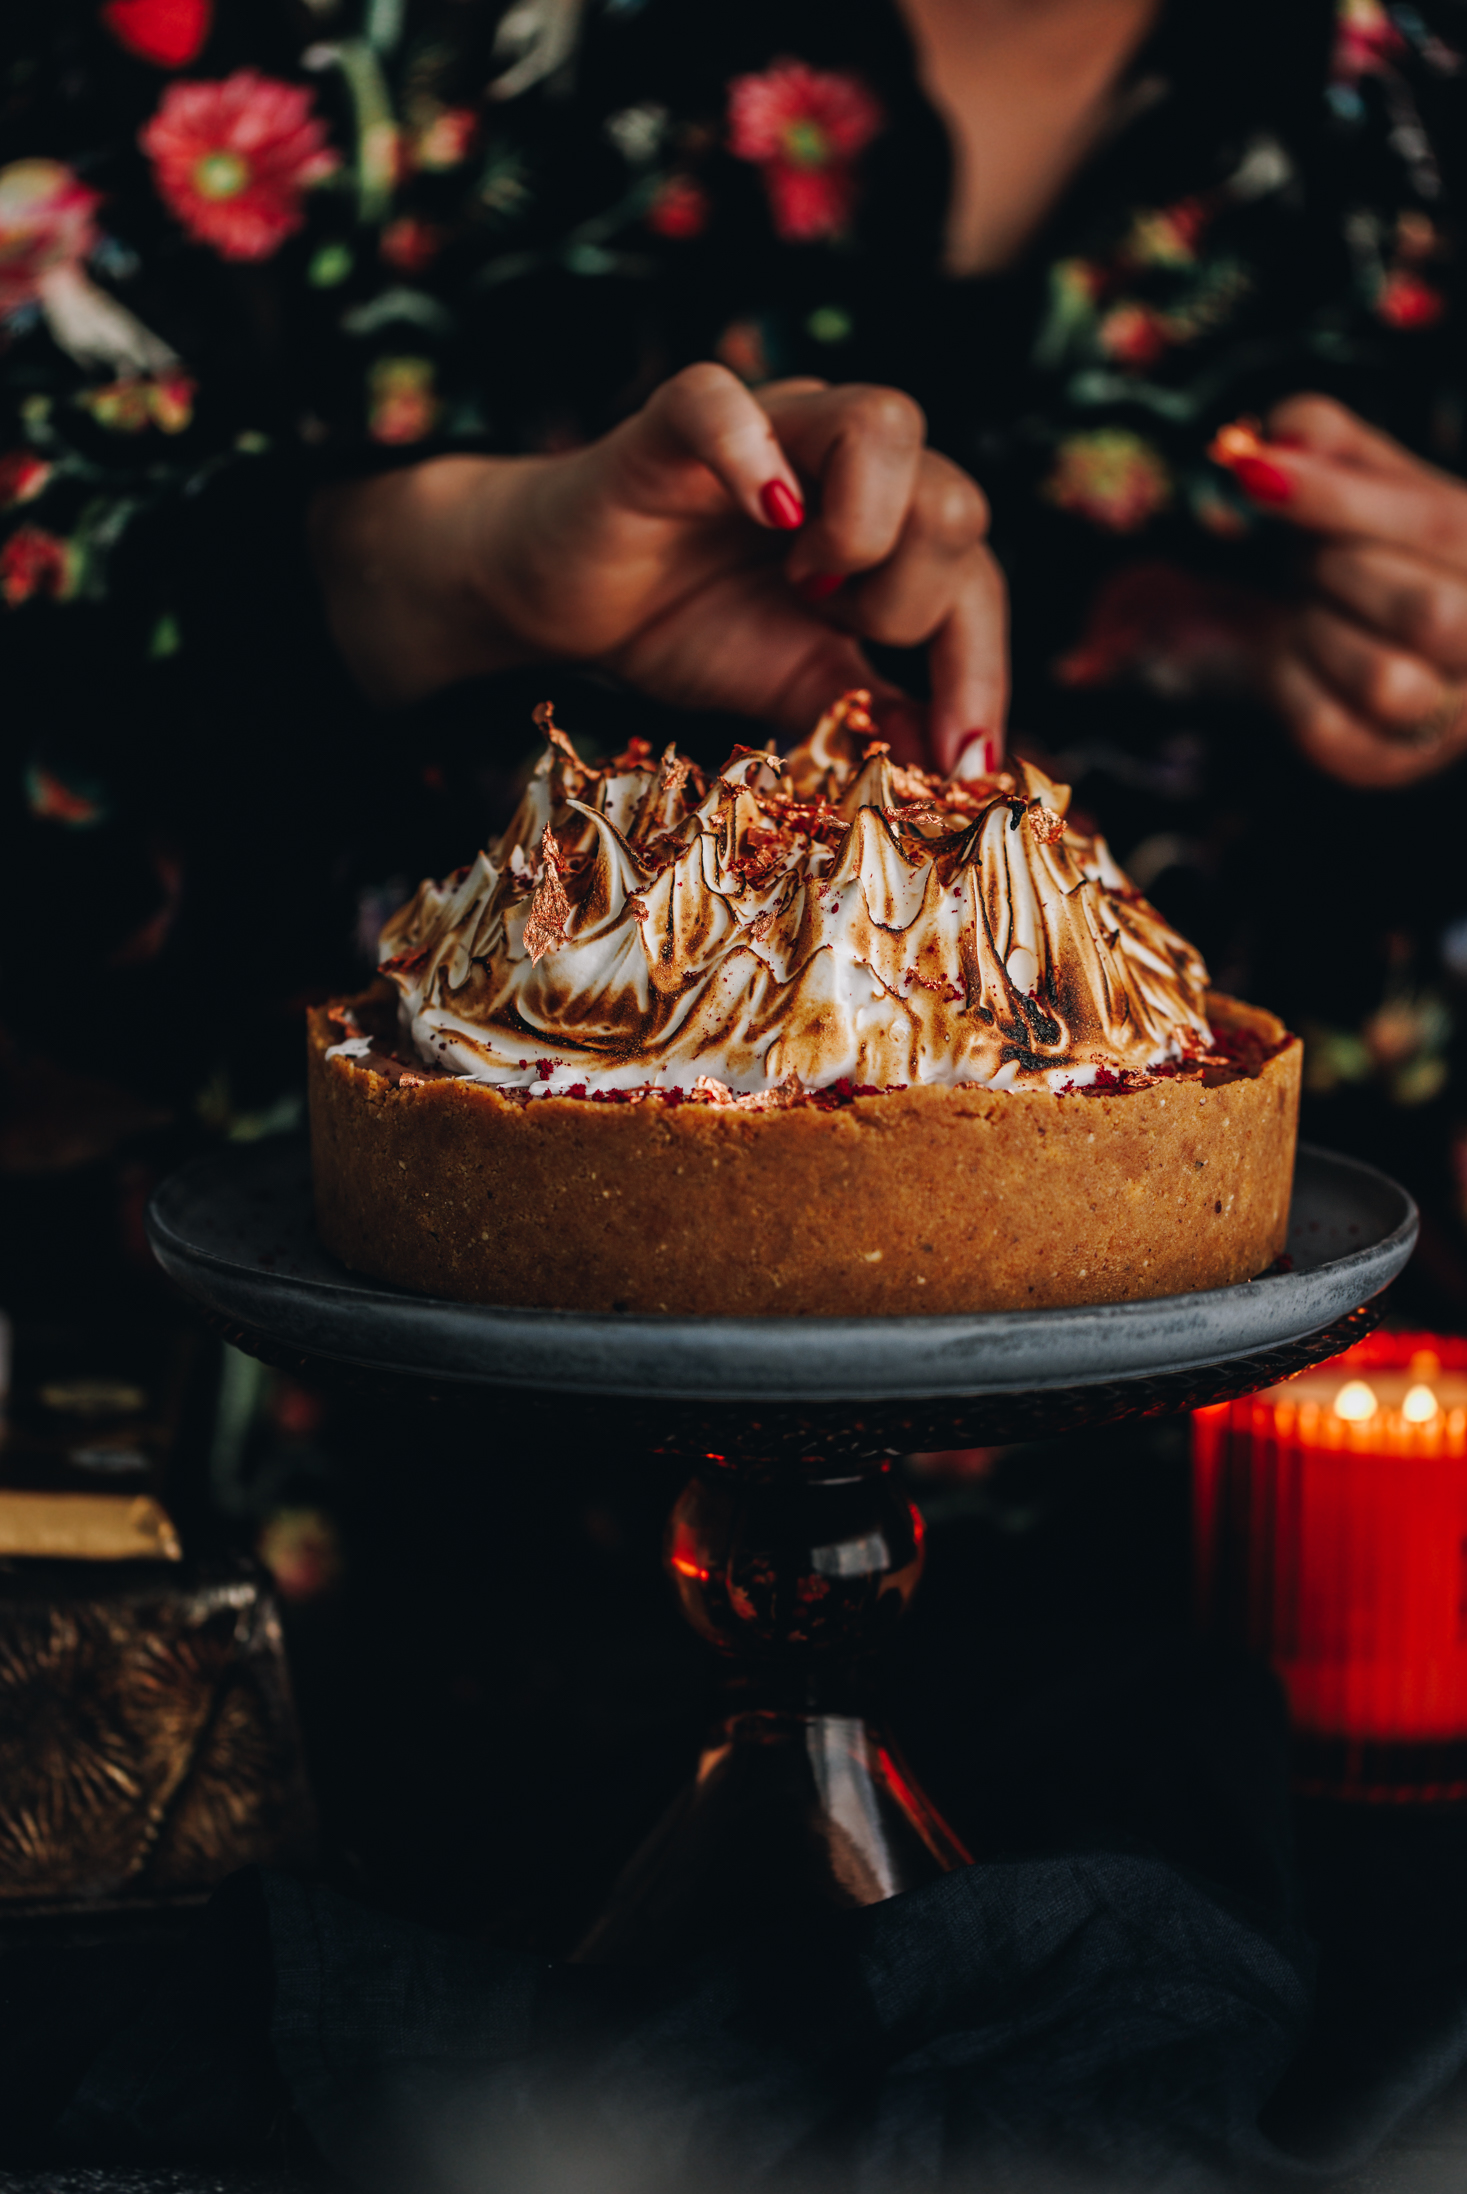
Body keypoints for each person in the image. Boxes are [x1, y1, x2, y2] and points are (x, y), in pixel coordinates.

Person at [1, 0, 1465, 1300]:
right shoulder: (344, 47)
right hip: (330, 1475)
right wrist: (415, 570)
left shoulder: (1415, 113)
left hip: (1238, 1511)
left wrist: (1421, 676)